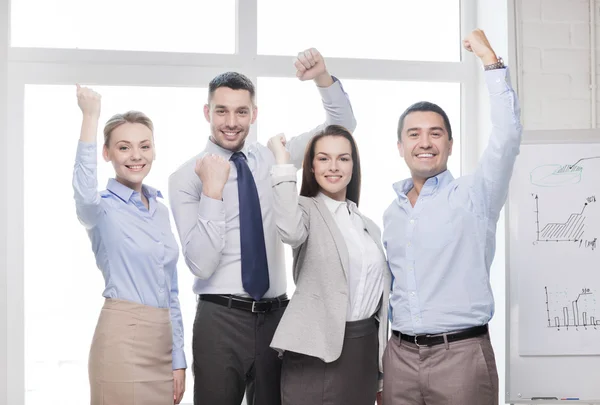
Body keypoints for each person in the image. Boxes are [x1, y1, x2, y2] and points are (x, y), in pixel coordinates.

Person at [168, 48, 356, 405]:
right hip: (218, 320)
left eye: (241, 111)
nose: (231, 121)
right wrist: (212, 191)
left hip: (276, 318)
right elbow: (201, 264)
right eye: (221, 110)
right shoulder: (185, 178)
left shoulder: (273, 158)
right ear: (207, 113)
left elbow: (341, 128)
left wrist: (322, 78)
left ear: (254, 114)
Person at [382, 29, 522, 405]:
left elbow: (507, 137)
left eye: (435, 134)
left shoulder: (476, 194)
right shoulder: (392, 213)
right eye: (414, 134)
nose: (424, 142)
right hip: (399, 357)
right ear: (400, 146)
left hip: (459, 357)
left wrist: (490, 62)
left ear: (449, 143)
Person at [73, 85, 186, 405]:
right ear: (107, 153)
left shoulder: (161, 211)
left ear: (153, 150)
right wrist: (90, 117)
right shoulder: (101, 209)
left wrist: (179, 358)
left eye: (144, 146)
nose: (136, 155)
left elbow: (172, 290)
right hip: (122, 341)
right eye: (124, 147)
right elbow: (83, 191)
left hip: (163, 344)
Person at [267, 125, 391, 405]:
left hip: (363, 351)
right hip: (315, 352)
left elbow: (379, 302)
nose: (333, 166)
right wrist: (282, 162)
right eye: (323, 158)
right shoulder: (305, 211)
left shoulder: (366, 225)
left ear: (353, 166)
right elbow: (288, 230)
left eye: (343, 158)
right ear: (310, 167)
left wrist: (380, 374)